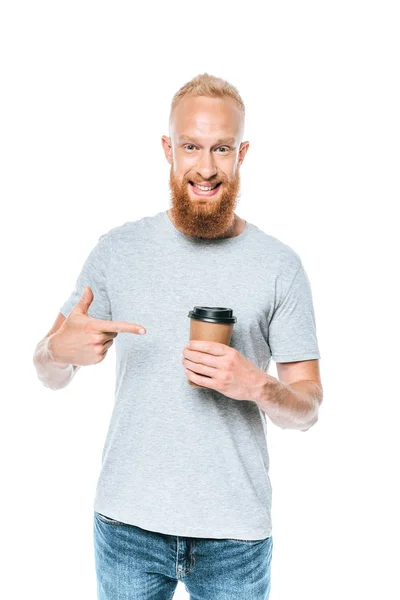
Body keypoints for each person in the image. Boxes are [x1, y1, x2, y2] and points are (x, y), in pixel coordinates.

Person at [33, 72, 323, 600]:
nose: (206, 167)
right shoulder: (117, 251)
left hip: (235, 535)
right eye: (191, 146)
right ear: (168, 149)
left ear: (242, 154)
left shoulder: (279, 266)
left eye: (222, 149)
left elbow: (307, 408)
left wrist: (258, 386)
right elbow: (46, 369)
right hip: (127, 527)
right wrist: (56, 351)